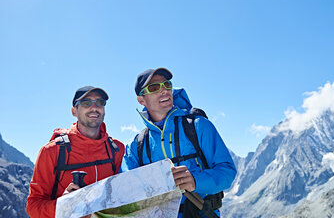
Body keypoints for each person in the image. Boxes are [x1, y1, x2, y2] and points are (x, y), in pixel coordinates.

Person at [123, 68, 237, 217]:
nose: (164, 90)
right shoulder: (137, 145)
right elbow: (125, 188)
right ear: (141, 100)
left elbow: (227, 171)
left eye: (167, 85)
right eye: (154, 88)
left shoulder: (199, 126)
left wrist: (196, 181)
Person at [27, 86, 125, 218]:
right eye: (86, 103)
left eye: (100, 102)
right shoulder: (52, 151)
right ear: (74, 111)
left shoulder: (117, 149)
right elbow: (33, 207)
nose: (94, 107)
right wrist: (64, 205)